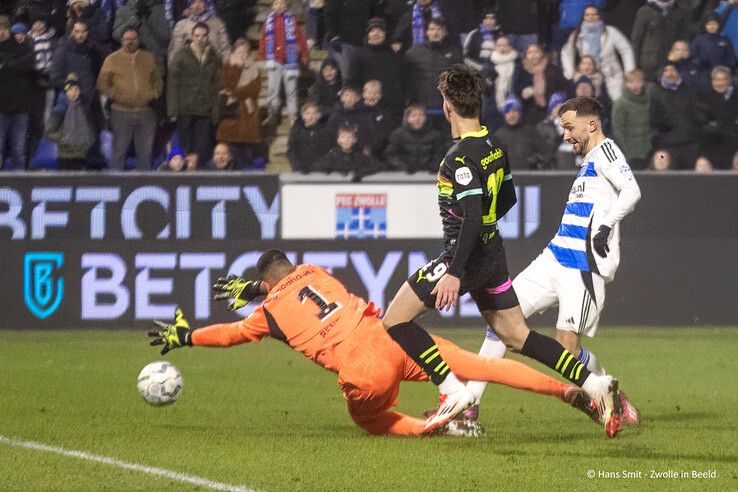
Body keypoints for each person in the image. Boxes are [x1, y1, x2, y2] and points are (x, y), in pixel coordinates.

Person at [379, 64, 623, 437]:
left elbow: (473, 217)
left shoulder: (458, 159)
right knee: (517, 337)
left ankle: (452, 392)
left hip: (465, 255)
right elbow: (505, 198)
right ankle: (593, 386)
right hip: (492, 256)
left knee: (395, 320)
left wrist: (456, 271)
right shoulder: (494, 146)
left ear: (447, 106)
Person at [148, 249, 597, 437]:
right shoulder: (313, 272)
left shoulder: (267, 315)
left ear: (264, 283)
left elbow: (229, 334)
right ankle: (570, 390)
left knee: (367, 419)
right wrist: (251, 289)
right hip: (392, 337)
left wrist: (186, 335)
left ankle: (436, 427)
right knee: (481, 366)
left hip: (363, 369)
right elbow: (278, 284)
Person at [465, 95, 642, 428]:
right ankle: (469, 405)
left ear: (591, 124)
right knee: (501, 319)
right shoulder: (589, 160)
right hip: (554, 257)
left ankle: (608, 390)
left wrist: (606, 226)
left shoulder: (606, 152)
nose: (565, 136)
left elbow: (632, 191)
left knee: (567, 353)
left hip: (583, 267)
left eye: (569, 127)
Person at [97, 26, 163, 171]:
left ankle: (143, 187)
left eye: (134, 39)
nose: (131, 42)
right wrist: (119, 96)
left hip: (146, 112)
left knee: (145, 154)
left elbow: (158, 80)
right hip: (121, 112)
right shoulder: (112, 59)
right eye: (127, 39)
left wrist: (154, 95)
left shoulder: (148, 57)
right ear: (121, 41)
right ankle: (115, 186)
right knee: (119, 153)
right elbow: (102, 84)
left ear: (138, 40)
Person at [168, 21, 220, 167]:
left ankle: (201, 181)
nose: (200, 39)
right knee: (186, 149)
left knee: (202, 150)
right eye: (197, 35)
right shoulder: (181, 56)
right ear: (192, 36)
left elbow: (215, 86)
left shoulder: (213, 57)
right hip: (185, 110)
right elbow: (172, 84)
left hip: (205, 111)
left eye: (204, 36)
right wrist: (172, 109)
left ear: (208, 37)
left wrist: (215, 111)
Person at [560, 5, 634, 100]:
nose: (590, 17)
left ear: (599, 16)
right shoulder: (577, 34)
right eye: (587, 15)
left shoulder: (610, 31)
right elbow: (567, 52)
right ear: (583, 17)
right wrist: (570, 73)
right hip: (589, 76)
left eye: (594, 14)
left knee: (617, 102)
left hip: (611, 76)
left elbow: (626, 49)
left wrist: (629, 72)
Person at [258, 0, 309, 125]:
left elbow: (299, 37)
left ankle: (293, 115)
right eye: (276, 3)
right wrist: (263, 53)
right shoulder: (269, 21)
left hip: (289, 60)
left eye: (282, 3)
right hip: (274, 59)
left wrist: (304, 53)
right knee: (272, 89)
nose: (279, 6)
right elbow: (264, 38)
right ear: (273, 6)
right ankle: (272, 113)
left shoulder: (291, 20)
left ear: (286, 5)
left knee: (291, 89)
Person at [405, 19, 462, 130]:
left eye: (439, 29)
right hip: (421, 110)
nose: (436, 32)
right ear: (427, 32)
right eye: (432, 29)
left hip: (447, 108)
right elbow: (405, 79)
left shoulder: (455, 53)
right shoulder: (414, 52)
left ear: (444, 32)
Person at [650, 62, 706, 170]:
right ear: (662, 74)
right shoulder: (655, 93)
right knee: (663, 167)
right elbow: (653, 119)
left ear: (678, 73)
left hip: (690, 144)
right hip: (666, 146)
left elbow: (699, 114)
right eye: (666, 70)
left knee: (695, 176)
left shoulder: (690, 90)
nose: (670, 73)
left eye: (673, 70)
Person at [346, 17, 405, 121]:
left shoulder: (394, 55)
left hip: (391, 109)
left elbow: (400, 81)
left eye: (380, 30)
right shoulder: (358, 54)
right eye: (372, 30)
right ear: (368, 34)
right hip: (365, 108)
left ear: (385, 34)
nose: (376, 33)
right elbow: (352, 81)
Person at [216, 38, 261, 169]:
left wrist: (237, 92)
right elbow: (226, 85)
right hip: (231, 115)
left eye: (245, 51)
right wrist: (236, 68)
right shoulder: (227, 66)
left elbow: (255, 88)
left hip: (248, 116)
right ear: (234, 51)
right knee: (230, 152)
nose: (242, 54)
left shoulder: (253, 68)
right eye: (239, 51)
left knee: (246, 155)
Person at [0, 15, 35, 170]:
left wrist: (6, 65)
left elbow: (29, 65)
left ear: (7, 29)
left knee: (18, 151)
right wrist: (15, 66)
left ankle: (21, 185)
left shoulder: (23, 46)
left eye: (2, 28)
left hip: (21, 108)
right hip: (1, 109)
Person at [45, 73, 96, 170]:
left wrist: (88, 141)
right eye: (71, 89)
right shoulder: (59, 110)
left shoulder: (83, 109)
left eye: (77, 89)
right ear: (66, 91)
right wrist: (63, 138)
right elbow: (49, 131)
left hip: (82, 152)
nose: (74, 92)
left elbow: (89, 129)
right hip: (65, 154)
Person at [631, 0, 690, 80]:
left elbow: (684, 38)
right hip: (648, 66)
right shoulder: (645, 11)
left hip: (672, 66)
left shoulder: (679, 11)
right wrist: (636, 67)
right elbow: (636, 41)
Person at [512, 43, 570, 124]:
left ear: (542, 53)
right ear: (525, 55)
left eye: (536, 52)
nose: (533, 55)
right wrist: (523, 93)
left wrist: (556, 100)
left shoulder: (553, 70)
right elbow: (514, 90)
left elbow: (564, 88)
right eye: (530, 52)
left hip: (552, 110)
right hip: (528, 111)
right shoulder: (520, 71)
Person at [384, 103, 445, 173]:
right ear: (407, 118)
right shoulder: (398, 134)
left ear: (425, 118)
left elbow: (439, 153)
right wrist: (404, 166)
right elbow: (391, 154)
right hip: (404, 174)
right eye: (413, 116)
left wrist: (433, 166)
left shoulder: (434, 135)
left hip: (429, 174)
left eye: (421, 115)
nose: (417, 118)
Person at [611, 69, 651, 170]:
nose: (635, 85)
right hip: (630, 154)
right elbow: (618, 130)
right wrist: (627, 151)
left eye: (638, 81)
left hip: (648, 151)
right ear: (625, 84)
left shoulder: (649, 100)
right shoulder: (620, 103)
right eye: (631, 82)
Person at [113, 0, 171, 67]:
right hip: (134, 64)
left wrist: (153, 17)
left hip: (157, 62)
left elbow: (166, 36)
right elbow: (116, 35)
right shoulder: (123, 11)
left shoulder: (158, 9)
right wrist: (135, 18)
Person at [700, 66, 738, 169]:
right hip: (712, 146)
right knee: (701, 164)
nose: (720, 83)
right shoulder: (704, 100)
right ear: (712, 81)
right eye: (716, 79)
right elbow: (702, 128)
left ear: (729, 81)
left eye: (723, 79)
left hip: (734, 146)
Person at [492, 96, 545, 170]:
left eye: (515, 111)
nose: (512, 115)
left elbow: (542, 154)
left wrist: (536, 160)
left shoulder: (531, 133)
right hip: (507, 178)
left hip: (529, 177)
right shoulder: (498, 136)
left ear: (520, 113)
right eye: (508, 112)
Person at [287, 99, 331, 173]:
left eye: (314, 113)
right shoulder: (296, 131)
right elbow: (291, 151)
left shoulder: (325, 131)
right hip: (300, 171)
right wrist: (298, 167)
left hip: (320, 171)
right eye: (308, 113)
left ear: (318, 115)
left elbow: (327, 152)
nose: (311, 116)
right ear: (303, 115)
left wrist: (319, 167)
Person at [489, 36, 518, 111]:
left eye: (506, 45)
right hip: (493, 99)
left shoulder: (518, 62)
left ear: (510, 47)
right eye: (499, 45)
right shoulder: (489, 63)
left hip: (514, 96)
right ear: (495, 47)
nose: (503, 48)